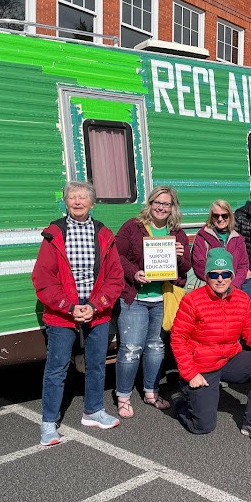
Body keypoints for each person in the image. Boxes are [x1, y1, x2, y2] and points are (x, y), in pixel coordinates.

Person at [32, 181, 124, 446]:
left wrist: (95, 306)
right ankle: (49, 423)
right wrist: (70, 307)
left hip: (97, 309)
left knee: (96, 365)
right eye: (72, 197)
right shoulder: (54, 234)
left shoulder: (104, 233)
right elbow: (43, 278)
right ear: (65, 202)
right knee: (57, 368)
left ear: (92, 203)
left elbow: (115, 277)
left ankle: (93, 411)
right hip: (63, 311)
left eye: (83, 197)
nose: (77, 201)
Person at [171, 248, 251, 444]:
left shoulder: (242, 299)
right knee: (203, 426)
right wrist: (190, 373)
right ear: (206, 276)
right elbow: (178, 339)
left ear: (232, 276)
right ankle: (181, 399)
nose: (220, 279)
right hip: (202, 366)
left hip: (230, 357)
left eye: (225, 274)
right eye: (214, 274)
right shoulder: (192, 300)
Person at [113, 186, 191, 418]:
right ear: (150, 203)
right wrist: (134, 273)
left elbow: (186, 267)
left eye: (166, 204)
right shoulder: (133, 227)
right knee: (130, 348)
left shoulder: (177, 233)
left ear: (172, 207)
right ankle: (123, 396)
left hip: (162, 298)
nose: (161, 207)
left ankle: (151, 392)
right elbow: (116, 256)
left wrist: (179, 257)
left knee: (156, 348)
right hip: (135, 297)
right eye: (157, 202)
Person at [191, 199, 249, 290]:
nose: (220, 219)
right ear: (211, 217)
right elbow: (198, 264)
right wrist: (216, 283)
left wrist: (233, 285)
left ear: (230, 216)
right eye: (216, 216)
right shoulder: (202, 236)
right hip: (209, 289)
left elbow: (243, 266)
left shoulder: (238, 239)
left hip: (232, 289)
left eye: (224, 216)